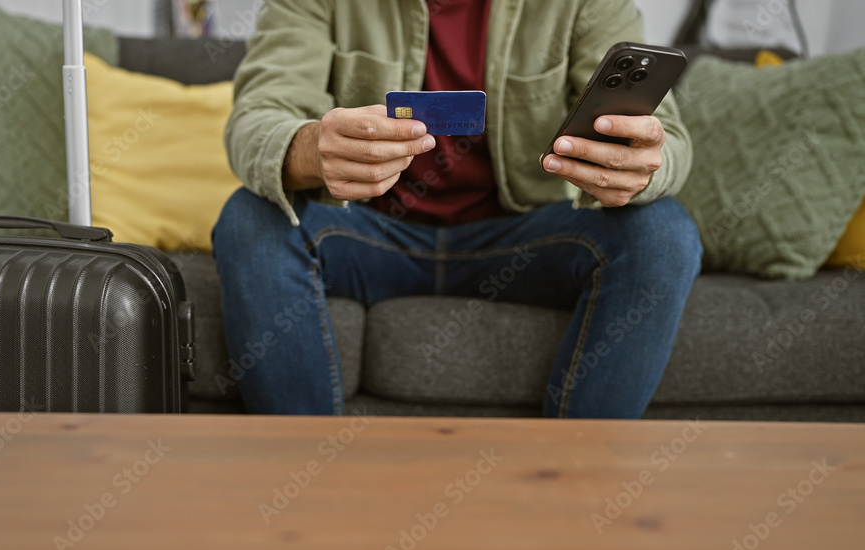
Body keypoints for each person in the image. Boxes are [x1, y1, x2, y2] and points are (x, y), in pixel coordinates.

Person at [213, 0, 702, 418]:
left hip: (522, 238)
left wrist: (637, 166)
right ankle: (303, 481)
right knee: (250, 218)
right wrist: (310, 146)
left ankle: (577, 485)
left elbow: (669, 141)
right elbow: (258, 116)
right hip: (370, 233)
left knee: (663, 233)